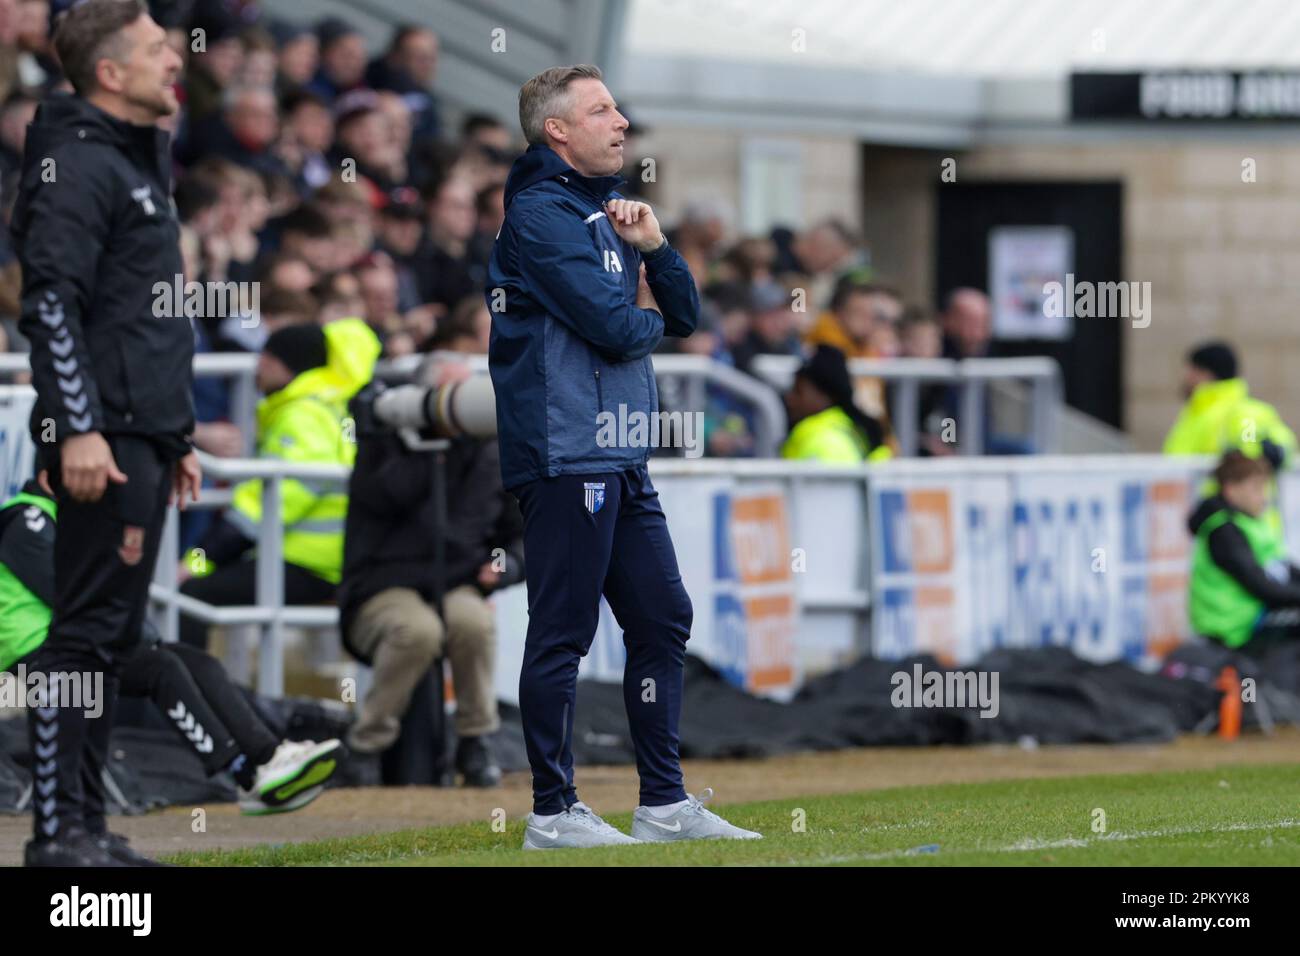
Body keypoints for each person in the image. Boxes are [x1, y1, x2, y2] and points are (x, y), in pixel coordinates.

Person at [488, 63, 759, 849]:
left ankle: (664, 803)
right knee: (563, 631)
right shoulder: (539, 214)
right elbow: (618, 329)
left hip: (618, 451)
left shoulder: (606, 212)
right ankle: (551, 810)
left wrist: (657, 247)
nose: (621, 123)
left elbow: (682, 312)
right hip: (565, 449)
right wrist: (647, 321)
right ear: (557, 131)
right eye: (601, 110)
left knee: (662, 615)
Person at [11, 0, 201, 868]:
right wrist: (79, 430)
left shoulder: (134, 163)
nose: (177, 61)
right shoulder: (82, 165)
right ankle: (59, 834)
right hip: (105, 436)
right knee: (83, 635)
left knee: (107, 635)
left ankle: (87, 826)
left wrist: (178, 433)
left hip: (140, 432)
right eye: (158, 49)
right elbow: (50, 303)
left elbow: (143, 322)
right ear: (110, 73)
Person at [0, 478, 343, 824]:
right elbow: (74, 602)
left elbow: (104, 600)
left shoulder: (65, 521)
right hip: (29, 670)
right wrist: (134, 633)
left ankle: (267, 756)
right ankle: (242, 773)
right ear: (52, 475)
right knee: (161, 666)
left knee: (195, 660)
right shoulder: (27, 519)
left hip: (72, 651)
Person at [339, 356, 523, 787]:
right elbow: (386, 495)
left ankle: (475, 740)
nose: (462, 408)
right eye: (449, 396)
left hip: (456, 580)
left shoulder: (489, 454)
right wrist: (424, 443)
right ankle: (367, 744)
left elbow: (518, 533)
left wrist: (506, 566)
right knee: (418, 631)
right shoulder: (385, 445)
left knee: (472, 623)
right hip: (382, 585)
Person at [177, 319, 380, 649]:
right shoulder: (325, 405)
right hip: (327, 560)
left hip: (310, 565)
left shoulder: (300, 415)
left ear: (286, 366)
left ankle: (187, 699)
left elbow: (260, 512)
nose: (259, 365)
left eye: (268, 357)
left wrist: (194, 563)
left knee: (192, 597)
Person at [1189, 451, 1300, 654]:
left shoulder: (1250, 523)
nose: (1264, 496)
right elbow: (1259, 585)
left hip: (1255, 621)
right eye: (1256, 488)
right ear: (1231, 490)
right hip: (1233, 634)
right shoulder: (1223, 531)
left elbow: (1282, 567)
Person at [1164, 340, 1296, 465]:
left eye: (1191, 370)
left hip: (1223, 490)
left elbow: (1253, 450)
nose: (1186, 377)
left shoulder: (1244, 413)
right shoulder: (1196, 413)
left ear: (1206, 374)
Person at [782, 345, 892, 463]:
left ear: (825, 395)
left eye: (798, 391)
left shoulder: (826, 442)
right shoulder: (848, 429)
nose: (790, 399)